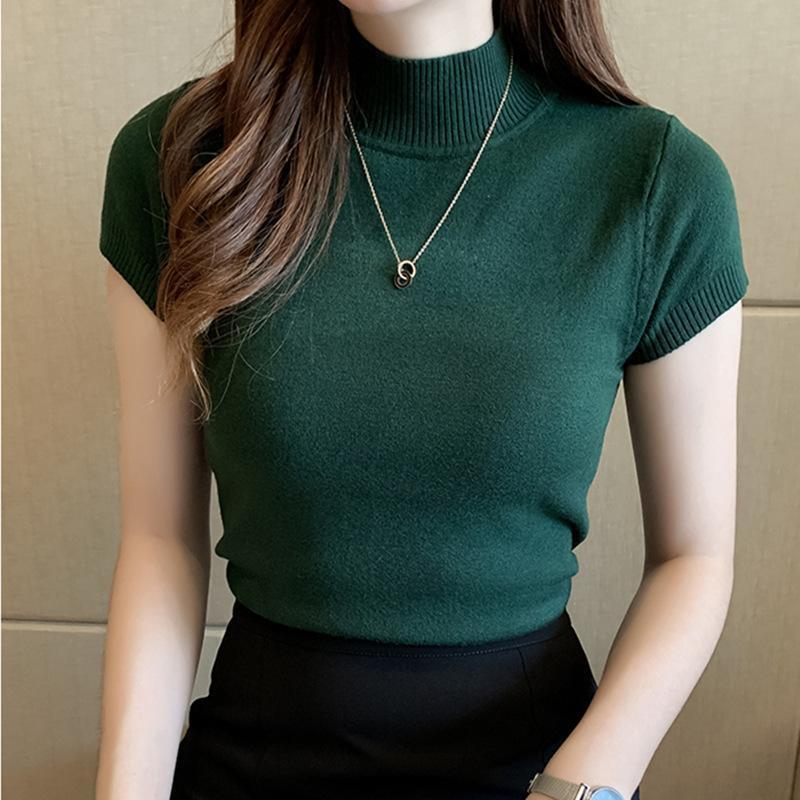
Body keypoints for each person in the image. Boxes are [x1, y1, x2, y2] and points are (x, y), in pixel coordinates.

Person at [94, 1, 749, 799]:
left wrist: (579, 789)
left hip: (541, 776)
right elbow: (161, 540)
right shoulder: (186, 160)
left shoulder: (656, 184)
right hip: (253, 764)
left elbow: (692, 558)